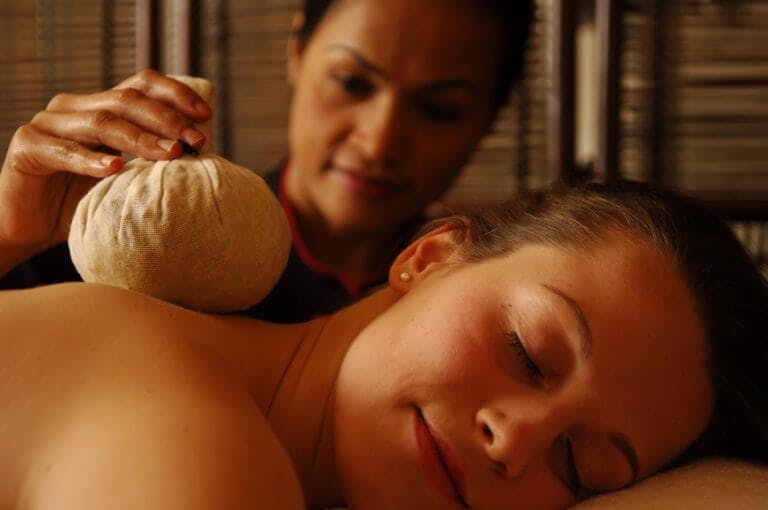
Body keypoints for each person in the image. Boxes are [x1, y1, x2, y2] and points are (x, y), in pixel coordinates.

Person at [1, 182, 766, 509]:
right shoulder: (208, 454)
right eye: (530, 353)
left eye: (581, 466)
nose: (516, 441)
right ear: (428, 258)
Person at [0, 0, 534, 322]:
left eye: (439, 109)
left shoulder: (477, 309)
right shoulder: (108, 239)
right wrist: (11, 240)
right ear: (297, 53)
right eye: (352, 82)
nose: (378, 142)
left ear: (488, 119)